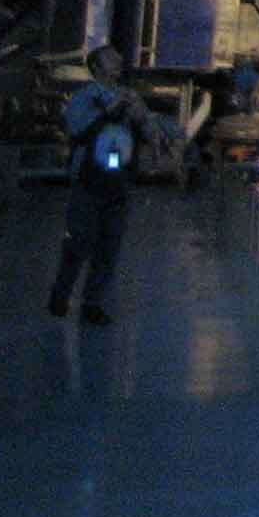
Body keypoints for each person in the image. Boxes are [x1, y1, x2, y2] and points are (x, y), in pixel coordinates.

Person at [48, 46, 169, 325]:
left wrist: (157, 138)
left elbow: (147, 125)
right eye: (111, 59)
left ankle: (93, 302)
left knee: (108, 248)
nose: (118, 62)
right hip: (89, 181)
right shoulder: (84, 98)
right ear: (97, 67)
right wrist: (111, 110)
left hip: (119, 182)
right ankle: (61, 292)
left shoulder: (130, 98)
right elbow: (76, 128)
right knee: (78, 241)